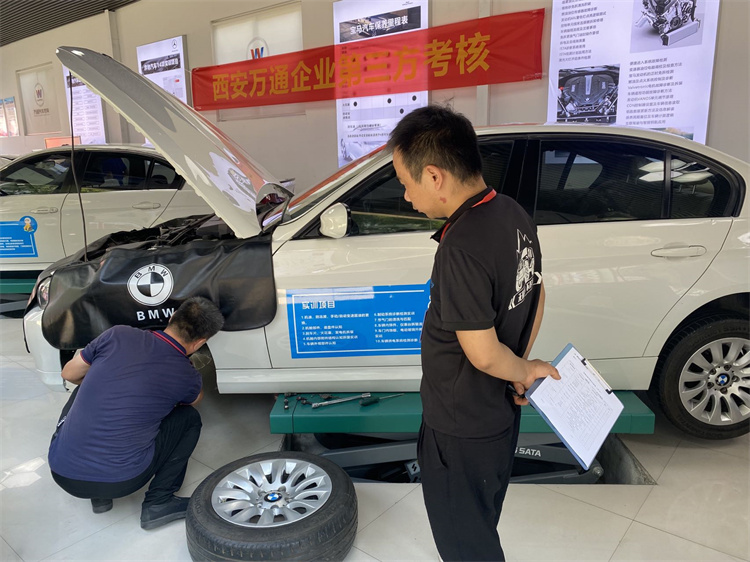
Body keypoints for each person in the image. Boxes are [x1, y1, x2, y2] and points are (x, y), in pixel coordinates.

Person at [387, 105, 560, 561]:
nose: (406, 196)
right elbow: (535, 293)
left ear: (434, 176)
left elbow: (482, 354)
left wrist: (521, 369)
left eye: (406, 183)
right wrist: (519, 369)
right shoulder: (511, 212)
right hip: (497, 416)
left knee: (466, 545)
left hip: (460, 426)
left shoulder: (461, 246)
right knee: (480, 521)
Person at [48, 296, 224, 530]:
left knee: (86, 387)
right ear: (201, 342)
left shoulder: (117, 334)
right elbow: (193, 401)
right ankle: (159, 502)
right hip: (122, 480)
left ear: (172, 317)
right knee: (188, 419)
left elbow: (69, 374)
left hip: (62, 473)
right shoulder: (186, 375)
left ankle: (99, 498)